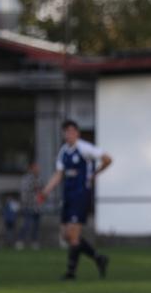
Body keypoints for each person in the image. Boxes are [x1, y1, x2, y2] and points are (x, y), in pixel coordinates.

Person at [38, 120, 112, 280]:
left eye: (72, 131)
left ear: (77, 133)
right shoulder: (63, 151)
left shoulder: (84, 148)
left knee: (72, 234)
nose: (69, 135)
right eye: (66, 132)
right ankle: (99, 258)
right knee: (66, 235)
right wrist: (45, 192)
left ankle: (71, 273)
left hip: (81, 195)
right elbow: (59, 175)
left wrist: (95, 174)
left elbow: (107, 159)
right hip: (68, 196)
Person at [17, 161, 43, 250]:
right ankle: (20, 241)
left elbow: (41, 192)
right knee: (26, 224)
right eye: (36, 168)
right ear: (32, 169)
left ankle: (34, 242)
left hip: (37, 207)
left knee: (36, 226)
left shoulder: (38, 179)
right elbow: (24, 193)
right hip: (28, 206)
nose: (38, 169)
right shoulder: (27, 179)